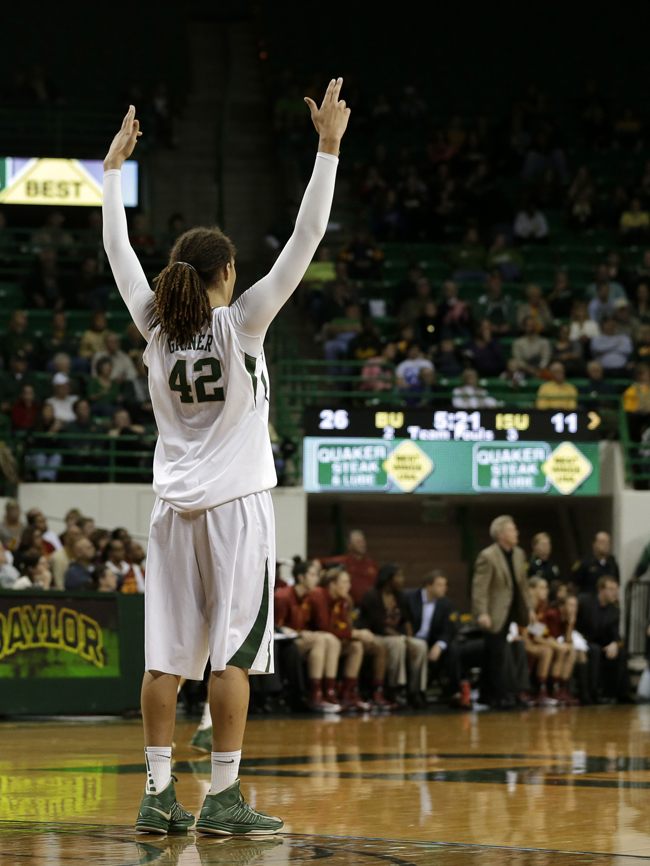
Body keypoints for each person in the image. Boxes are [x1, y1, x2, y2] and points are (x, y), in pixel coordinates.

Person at [102, 89, 349, 834]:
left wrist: (113, 173)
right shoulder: (241, 323)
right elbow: (307, 236)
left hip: (171, 510)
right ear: (228, 274)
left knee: (165, 661)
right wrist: (328, 147)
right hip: (237, 510)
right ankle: (224, 798)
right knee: (232, 659)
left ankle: (155, 794)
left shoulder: (151, 324)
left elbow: (117, 248)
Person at [308, 566, 391, 711]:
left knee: (356, 646)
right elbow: (323, 626)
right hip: (314, 638)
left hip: (331, 639)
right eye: (345, 582)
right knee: (333, 640)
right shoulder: (318, 594)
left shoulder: (343, 599)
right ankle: (322, 693)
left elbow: (344, 627)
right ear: (332, 584)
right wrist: (355, 634)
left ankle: (348, 693)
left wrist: (356, 635)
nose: (349, 586)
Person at [471, 515, 534, 707]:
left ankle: (491, 694)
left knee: (502, 652)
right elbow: (479, 587)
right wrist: (482, 612)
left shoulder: (519, 553)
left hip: (514, 610)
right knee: (496, 653)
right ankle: (499, 695)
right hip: (495, 612)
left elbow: (523, 584)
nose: (517, 533)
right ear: (500, 534)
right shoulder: (488, 556)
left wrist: (530, 607)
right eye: (512, 529)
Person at [274, 558, 342, 712]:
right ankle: (315, 694)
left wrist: (305, 632)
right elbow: (275, 627)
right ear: (301, 577)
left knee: (331, 639)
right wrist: (298, 632)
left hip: (301, 637)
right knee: (321, 641)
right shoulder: (283, 597)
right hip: (286, 644)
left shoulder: (309, 597)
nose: (316, 579)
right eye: (312, 575)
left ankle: (328, 692)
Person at [359, 564, 428, 707]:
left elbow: (407, 621)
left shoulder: (398, 596)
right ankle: (394, 688)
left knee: (421, 645)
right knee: (398, 643)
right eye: (399, 576)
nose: (402, 580)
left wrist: (408, 638)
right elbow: (379, 626)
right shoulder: (372, 595)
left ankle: (415, 690)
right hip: (374, 635)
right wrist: (403, 639)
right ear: (388, 579)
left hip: (395, 635)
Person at [404, 569, 467, 706]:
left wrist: (439, 645)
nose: (444, 588)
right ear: (428, 585)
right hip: (412, 638)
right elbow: (402, 621)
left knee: (453, 650)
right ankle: (415, 692)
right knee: (419, 648)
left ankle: (453, 693)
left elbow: (449, 629)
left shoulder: (446, 603)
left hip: (432, 640)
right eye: (440, 585)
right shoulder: (409, 597)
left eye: (445, 585)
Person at [576, 576, 629, 702]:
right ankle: (591, 693)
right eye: (611, 589)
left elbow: (615, 634)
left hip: (601, 643)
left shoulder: (615, 610)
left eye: (616, 589)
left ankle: (613, 694)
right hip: (582, 639)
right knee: (594, 651)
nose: (615, 593)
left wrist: (615, 644)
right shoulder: (585, 601)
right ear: (601, 589)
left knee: (620, 653)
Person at [320, 529, 379, 607]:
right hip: (350, 606)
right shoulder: (342, 561)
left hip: (371, 607)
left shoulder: (372, 564)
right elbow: (319, 562)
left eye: (363, 541)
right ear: (349, 545)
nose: (362, 544)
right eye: (358, 542)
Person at [49, 525, 83, 589]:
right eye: (75, 534)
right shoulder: (58, 556)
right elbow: (59, 584)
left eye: (80, 534)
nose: (79, 538)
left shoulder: (81, 555)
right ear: (67, 538)